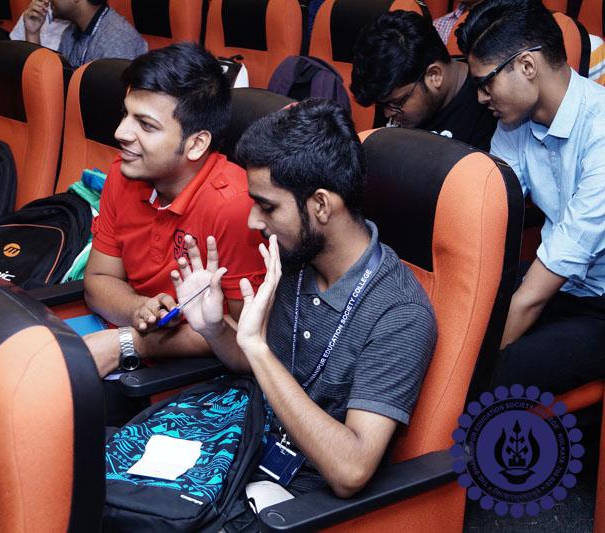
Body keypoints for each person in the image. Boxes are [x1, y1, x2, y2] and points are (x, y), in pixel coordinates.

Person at [170, 99, 437, 497]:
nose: (253, 221)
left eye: (267, 206)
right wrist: (214, 330)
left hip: (298, 502)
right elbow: (261, 363)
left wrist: (256, 348)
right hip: (240, 447)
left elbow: (351, 469)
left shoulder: (399, 313)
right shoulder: (297, 260)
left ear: (321, 205)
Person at [82, 43, 266, 423]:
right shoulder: (124, 173)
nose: (120, 133)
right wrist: (139, 309)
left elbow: (243, 338)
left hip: (196, 383)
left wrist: (128, 343)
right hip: (127, 348)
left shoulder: (235, 207)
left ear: (196, 144)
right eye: (126, 115)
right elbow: (98, 281)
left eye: (146, 125)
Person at [457, 0, 605, 393]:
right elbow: (486, 211)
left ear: (526, 66)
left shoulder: (600, 133)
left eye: (486, 83)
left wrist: (469, 367)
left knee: (493, 374)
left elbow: (532, 297)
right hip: (560, 284)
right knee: (444, 325)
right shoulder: (514, 124)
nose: (481, 98)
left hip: (598, 301)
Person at [351, 10, 496, 151]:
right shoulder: (391, 91)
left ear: (434, 75)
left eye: (398, 102)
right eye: (382, 104)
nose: (387, 114)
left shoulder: (488, 107)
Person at [22, 0, 146, 68]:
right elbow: (53, 80)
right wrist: (33, 33)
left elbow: (112, 102)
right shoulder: (70, 31)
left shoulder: (117, 39)